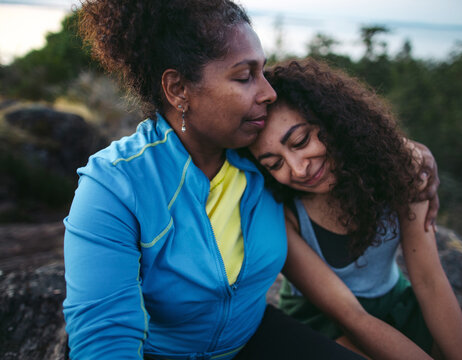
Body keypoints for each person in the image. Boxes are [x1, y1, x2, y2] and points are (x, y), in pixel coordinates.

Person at [63, 1, 377, 359]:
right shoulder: (115, 185)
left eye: (263, 72)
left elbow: (351, 140)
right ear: (178, 89)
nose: (268, 92)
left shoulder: (262, 156)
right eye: (245, 77)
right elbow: (105, 341)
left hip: (256, 336)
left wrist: (414, 156)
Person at [248, 58, 462, 360]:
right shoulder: (283, 211)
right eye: (274, 164)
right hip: (325, 318)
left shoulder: (402, 170)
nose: (298, 169)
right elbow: (352, 316)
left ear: (334, 120)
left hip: (396, 300)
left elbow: (430, 281)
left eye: (301, 141)